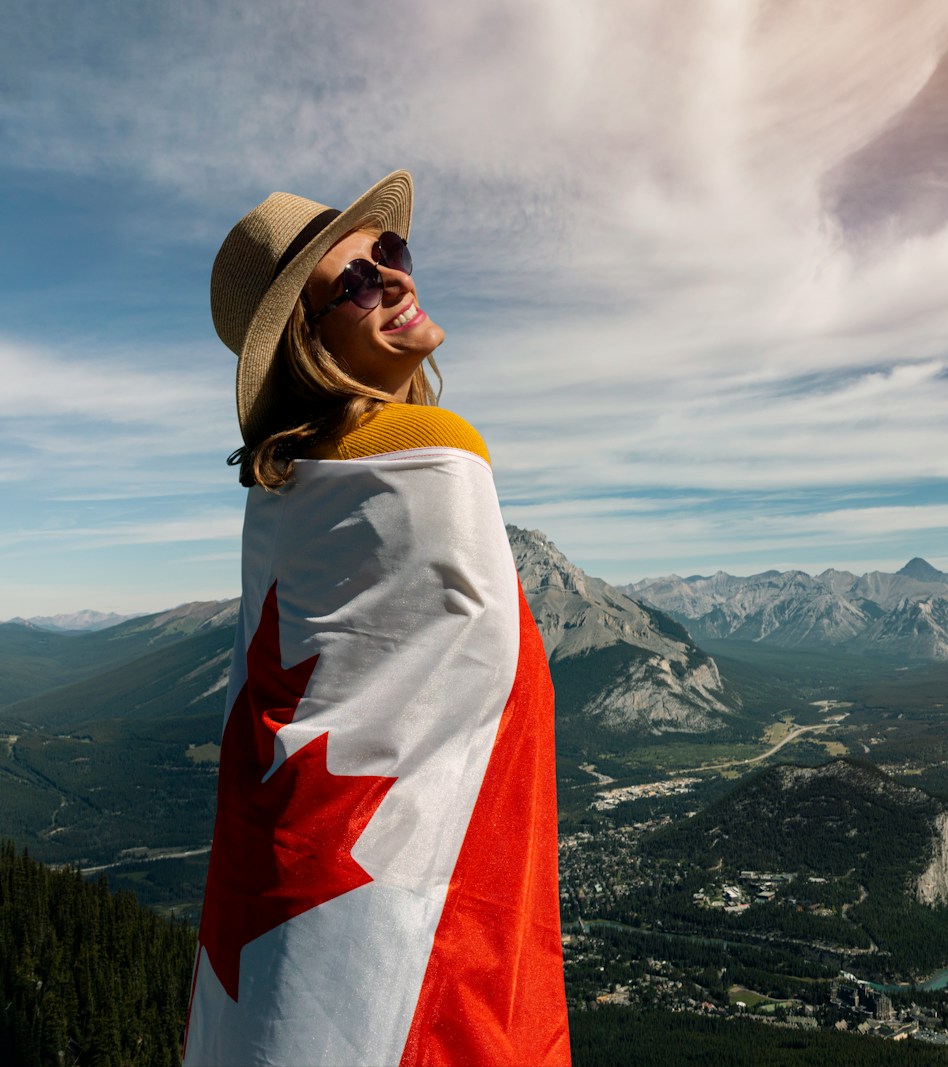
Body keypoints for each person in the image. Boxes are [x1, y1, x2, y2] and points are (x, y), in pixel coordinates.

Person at [186, 170, 571, 1065]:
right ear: (304, 344)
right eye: (351, 282)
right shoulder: (427, 450)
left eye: (387, 253)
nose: (394, 278)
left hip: (288, 896)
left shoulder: (286, 496)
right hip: (405, 916)